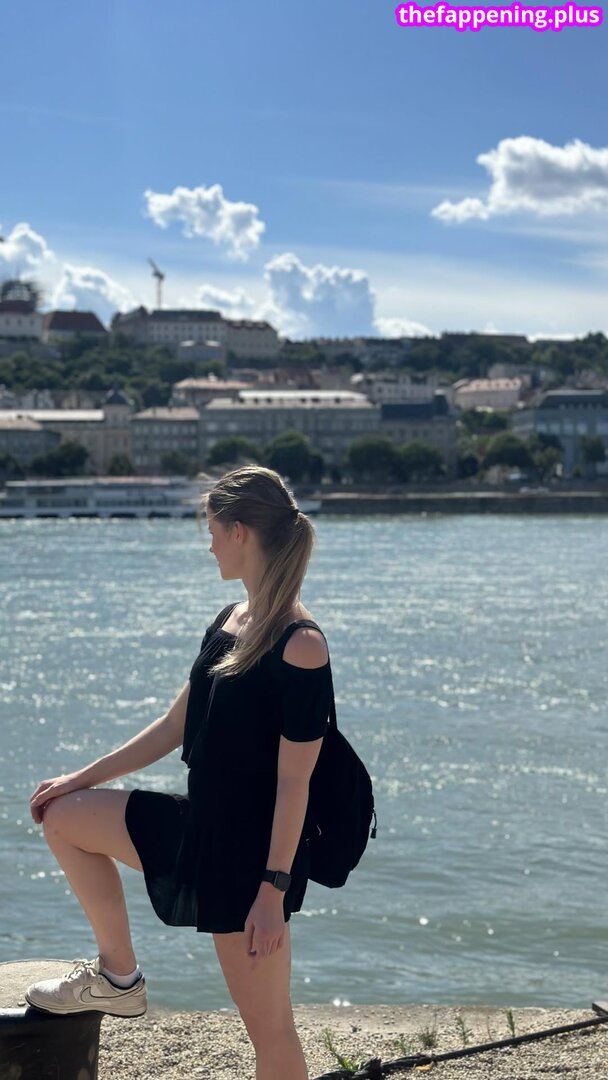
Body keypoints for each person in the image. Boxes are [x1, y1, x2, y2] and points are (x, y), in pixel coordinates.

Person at [26, 464, 334, 1080]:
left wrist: (271, 891)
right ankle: (118, 979)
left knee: (270, 1032)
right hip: (200, 826)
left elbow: (295, 782)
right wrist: (80, 780)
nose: (210, 545)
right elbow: (173, 726)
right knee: (62, 816)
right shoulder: (230, 620)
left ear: (240, 532)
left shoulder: (302, 646)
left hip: (250, 863)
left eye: (213, 531)